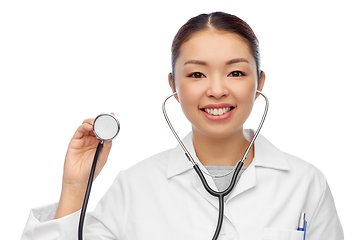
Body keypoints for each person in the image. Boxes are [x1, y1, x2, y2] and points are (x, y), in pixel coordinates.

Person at [21, 12, 343, 240]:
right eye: (197, 74)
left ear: (259, 82)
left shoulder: (306, 184)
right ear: (174, 86)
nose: (217, 90)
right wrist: (76, 187)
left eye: (235, 73)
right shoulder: (134, 187)